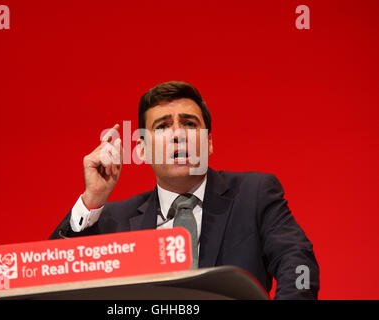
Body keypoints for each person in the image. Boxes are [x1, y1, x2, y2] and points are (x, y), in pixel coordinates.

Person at [49, 81, 320, 299]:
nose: (178, 134)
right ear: (142, 150)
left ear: (209, 142)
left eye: (190, 124)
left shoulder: (254, 194)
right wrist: (92, 200)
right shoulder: (114, 219)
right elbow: (51, 279)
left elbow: (297, 263)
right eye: (163, 126)